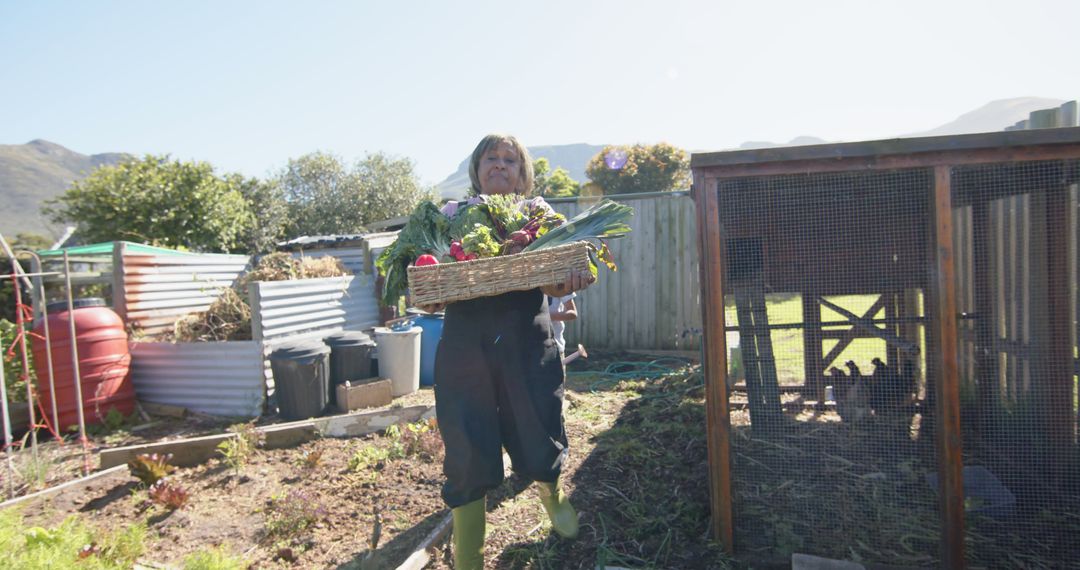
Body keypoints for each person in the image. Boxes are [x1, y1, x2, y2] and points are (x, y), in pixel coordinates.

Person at [423, 134, 593, 570]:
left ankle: (551, 494)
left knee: (538, 421)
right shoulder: (451, 216)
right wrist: (429, 291)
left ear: (522, 173)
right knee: (465, 439)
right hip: (465, 344)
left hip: (526, 338)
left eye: (510, 160)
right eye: (490, 158)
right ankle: (470, 556)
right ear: (476, 168)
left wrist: (568, 279)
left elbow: (556, 284)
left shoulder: (540, 215)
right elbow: (430, 291)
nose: (499, 165)